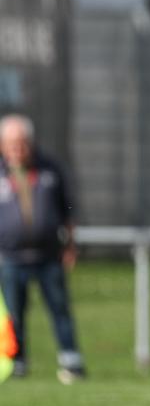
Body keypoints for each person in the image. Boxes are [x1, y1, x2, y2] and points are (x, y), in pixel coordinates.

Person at [0, 114, 86, 384]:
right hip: (10, 257)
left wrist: (70, 245)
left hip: (49, 255)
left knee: (59, 308)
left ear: (30, 142)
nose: (17, 149)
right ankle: (17, 361)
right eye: (11, 144)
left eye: (21, 143)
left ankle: (71, 360)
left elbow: (67, 210)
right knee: (13, 312)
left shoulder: (50, 168)